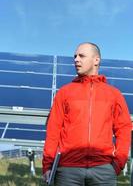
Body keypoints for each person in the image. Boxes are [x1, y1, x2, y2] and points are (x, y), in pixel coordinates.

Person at [42, 42, 131, 186]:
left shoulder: (114, 95)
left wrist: (117, 164)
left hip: (103, 171)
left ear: (96, 60)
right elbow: (53, 130)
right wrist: (48, 165)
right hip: (67, 171)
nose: (76, 59)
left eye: (81, 56)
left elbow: (124, 129)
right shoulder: (64, 93)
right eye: (75, 56)